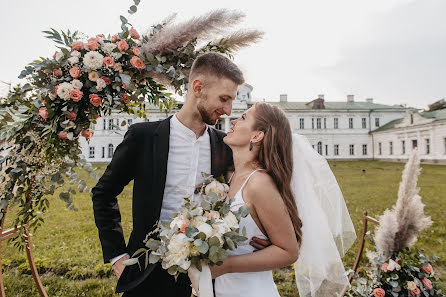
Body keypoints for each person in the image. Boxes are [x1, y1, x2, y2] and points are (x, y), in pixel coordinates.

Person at [90, 52, 270, 297]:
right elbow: (103, 193)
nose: (228, 111)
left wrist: (263, 234)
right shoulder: (142, 137)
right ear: (198, 87)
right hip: (146, 274)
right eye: (224, 98)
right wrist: (116, 255)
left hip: (207, 273)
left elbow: (254, 191)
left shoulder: (226, 147)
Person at [212, 102, 302, 297]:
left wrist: (225, 266)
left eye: (243, 118)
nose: (233, 121)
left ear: (257, 135)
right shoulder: (230, 176)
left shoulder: (259, 184)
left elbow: (289, 251)